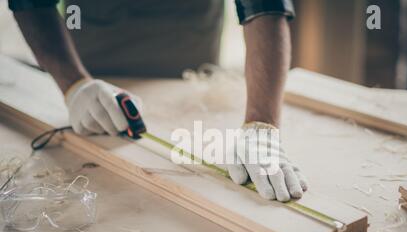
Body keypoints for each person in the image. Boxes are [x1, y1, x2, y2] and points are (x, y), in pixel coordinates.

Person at [9, 0, 308, 202]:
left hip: (189, 70)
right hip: (94, 67)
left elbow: (266, 6)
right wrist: (73, 84)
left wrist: (261, 122)